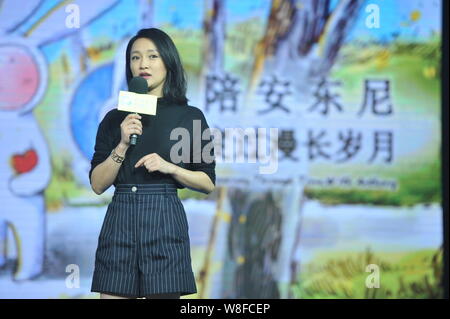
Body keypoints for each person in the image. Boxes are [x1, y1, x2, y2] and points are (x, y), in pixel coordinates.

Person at [89, 28, 216, 299]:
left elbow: (207, 183)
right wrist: (122, 144)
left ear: (168, 62)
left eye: (152, 56)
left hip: (164, 218)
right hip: (120, 220)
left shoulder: (189, 116)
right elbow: (98, 185)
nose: (143, 64)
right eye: (135, 58)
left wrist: (170, 167)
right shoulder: (115, 119)